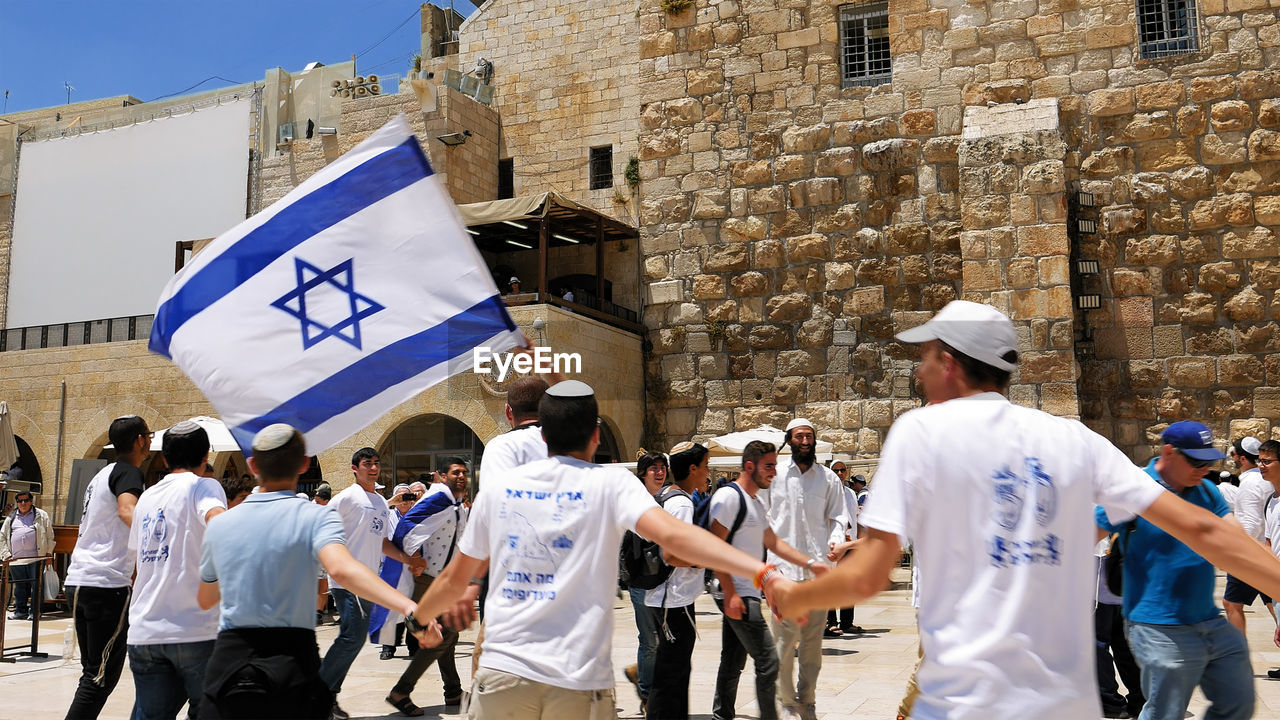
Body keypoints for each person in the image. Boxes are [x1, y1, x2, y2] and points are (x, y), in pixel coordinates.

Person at [764, 299, 1280, 720]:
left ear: (949, 362)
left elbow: (866, 576)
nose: (919, 371)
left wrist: (795, 592)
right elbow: (1203, 530)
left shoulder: (920, 433)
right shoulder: (1075, 439)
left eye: (924, 358)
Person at [405, 380, 779, 718]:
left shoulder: (500, 488)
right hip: (577, 680)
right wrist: (762, 571)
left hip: (504, 674)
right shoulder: (613, 485)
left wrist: (420, 621)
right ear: (597, 435)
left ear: (544, 436)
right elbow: (678, 538)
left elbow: (456, 577)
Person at [197, 424, 437, 720]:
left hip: (230, 660)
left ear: (252, 465)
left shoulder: (221, 524)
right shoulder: (316, 517)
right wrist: (409, 607)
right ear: (304, 463)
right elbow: (343, 569)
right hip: (291, 659)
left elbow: (206, 598)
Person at [1098, 422, 1258, 720]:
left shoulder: (1206, 490)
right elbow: (1086, 533)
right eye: (1197, 461)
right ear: (1169, 452)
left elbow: (1234, 535)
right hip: (1156, 625)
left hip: (1207, 620)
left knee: (1238, 700)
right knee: (1165, 713)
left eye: (1209, 461)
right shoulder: (1134, 488)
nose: (1204, 468)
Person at [712, 440, 827, 720]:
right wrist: (730, 593)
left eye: (775, 466)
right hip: (734, 592)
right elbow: (714, 549)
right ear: (749, 466)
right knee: (768, 661)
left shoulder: (755, 502)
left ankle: (721, 715)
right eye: (769, 466)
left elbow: (773, 543)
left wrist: (811, 563)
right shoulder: (728, 498)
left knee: (732, 661)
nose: (774, 472)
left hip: (746, 591)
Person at [126, 420, 228, 720]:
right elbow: (220, 523)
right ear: (206, 457)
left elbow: (138, 564)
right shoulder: (204, 485)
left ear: (165, 458)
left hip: (145, 631)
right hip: (194, 628)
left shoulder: (146, 497)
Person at [319, 448, 426, 720]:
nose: (373, 467)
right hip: (346, 579)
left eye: (377, 463)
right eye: (367, 463)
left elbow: (380, 540)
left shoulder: (380, 501)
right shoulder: (345, 498)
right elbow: (320, 529)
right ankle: (319, 695)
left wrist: (406, 558)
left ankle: (325, 695)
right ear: (355, 468)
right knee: (352, 636)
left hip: (368, 581)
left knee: (353, 637)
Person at [64, 415, 150, 720]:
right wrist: (156, 539)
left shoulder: (101, 474)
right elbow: (128, 510)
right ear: (140, 440)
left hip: (79, 580)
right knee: (99, 678)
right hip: (105, 585)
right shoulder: (129, 472)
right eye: (148, 436)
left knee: (92, 673)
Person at [764, 418, 844, 719]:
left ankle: (807, 700)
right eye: (800, 437)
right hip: (783, 574)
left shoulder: (828, 479)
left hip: (817, 575)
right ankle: (786, 702)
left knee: (812, 645)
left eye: (810, 436)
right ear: (789, 440)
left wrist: (836, 540)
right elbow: (763, 519)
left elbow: (838, 515)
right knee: (784, 645)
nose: (806, 441)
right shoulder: (775, 476)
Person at [383, 459, 470, 715]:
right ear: (441, 476)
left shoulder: (455, 502)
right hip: (427, 580)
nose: (462, 476)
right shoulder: (437, 498)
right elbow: (404, 527)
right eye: (456, 472)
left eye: (464, 472)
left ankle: (453, 692)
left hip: (444, 581)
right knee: (441, 636)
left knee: (448, 636)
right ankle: (402, 691)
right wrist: (414, 555)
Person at [645, 443, 709, 720]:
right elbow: (671, 553)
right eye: (705, 466)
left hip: (666, 596)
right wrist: (701, 561)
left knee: (673, 670)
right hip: (674, 598)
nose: (707, 473)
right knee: (672, 673)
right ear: (692, 469)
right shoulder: (681, 503)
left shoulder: (666, 496)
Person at [624, 449, 669, 713]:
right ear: (643, 474)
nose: (660, 472)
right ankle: (646, 696)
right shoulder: (635, 502)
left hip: (662, 582)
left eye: (662, 467)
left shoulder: (666, 500)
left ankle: (639, 671)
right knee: (650, 640)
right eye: (654, 468)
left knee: (661, 640)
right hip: (641, 580)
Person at [1224, 436, 1275, 637]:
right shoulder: (1265, 480)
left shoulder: (1249, 483)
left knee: (1231, 603)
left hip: (1251, 554)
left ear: (1242, 458)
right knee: (1273, 603)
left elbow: (1250, 524)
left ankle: (1237, 659)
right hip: (1267, 551)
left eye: (1233, 454)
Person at [1094, 536, 1144, 719]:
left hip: (1101, 581)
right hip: (1121, 580)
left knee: (1099, 644)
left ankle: (1111, 703)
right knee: (1125, 644)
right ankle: (1140, 699)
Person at [375, 484, 418, 661]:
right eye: (401, 497)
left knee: (413, 609)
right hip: (391, 566)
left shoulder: (418, 515)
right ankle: (388, 646)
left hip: (412, 567)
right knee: (391, 608)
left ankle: (413, 646)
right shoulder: (387, 515)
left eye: (408, 497)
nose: (405, 501)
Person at [1, 490, 53, 620]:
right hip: (16, 559)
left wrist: (48, 554)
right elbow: (2, 536)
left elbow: (50, 536)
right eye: (20, 501)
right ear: (17, 503)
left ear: (31, 501)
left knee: (36, 586)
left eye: (26, 500)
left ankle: (35, 612)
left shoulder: (42, 515)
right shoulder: (11, 517)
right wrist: (6, 555)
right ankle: (20, 611)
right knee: (20, 587)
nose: (23, 503)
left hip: (35, 557)